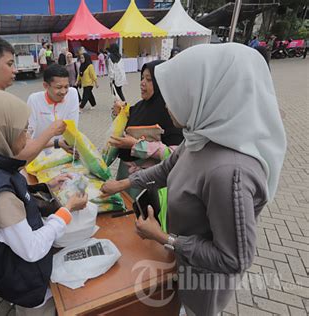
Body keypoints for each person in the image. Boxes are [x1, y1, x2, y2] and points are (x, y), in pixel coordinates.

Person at [101, 43, 286, 316]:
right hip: (180, 265)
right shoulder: (200, 137)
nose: (167, 103)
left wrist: (163, 237)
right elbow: (167, 169)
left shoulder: (230, 172)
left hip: (202, 286)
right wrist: (124, 183)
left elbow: (233, 258)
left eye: (177, 93)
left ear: (208, 93)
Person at [0, 90, 88, 316]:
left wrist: (47, 185)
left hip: (4, 266)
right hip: (24, 281)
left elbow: (8, 190)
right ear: (3, 135)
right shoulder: (1, 195)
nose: (29, 138)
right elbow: (32, 249)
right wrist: (67, 211)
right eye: (24, 131)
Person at [0, 35, 66, 164]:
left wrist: (57, 142)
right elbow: (20, 155)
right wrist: (52, 131)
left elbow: (23, 144)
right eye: (10, 64)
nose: (14, 70)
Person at [109, 61, 183, 198]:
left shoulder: (172, 114)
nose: (142, 83)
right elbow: (124, 130)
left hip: (150, 181)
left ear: (162, 83)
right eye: (142, 78)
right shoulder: (139, 107)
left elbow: (173, 156)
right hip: (125, 174)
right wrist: (118, 114)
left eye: (149, 79)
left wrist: (135, 145)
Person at [27, 64, 79, 154]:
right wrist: (56, 143)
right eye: (58, 87)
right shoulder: (34, 100)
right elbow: (27, 140)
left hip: (63, 154)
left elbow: (72, 128)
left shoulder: (72, 94)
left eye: (66, 86)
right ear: (46, 85)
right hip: (39, 155)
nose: (63, 92)